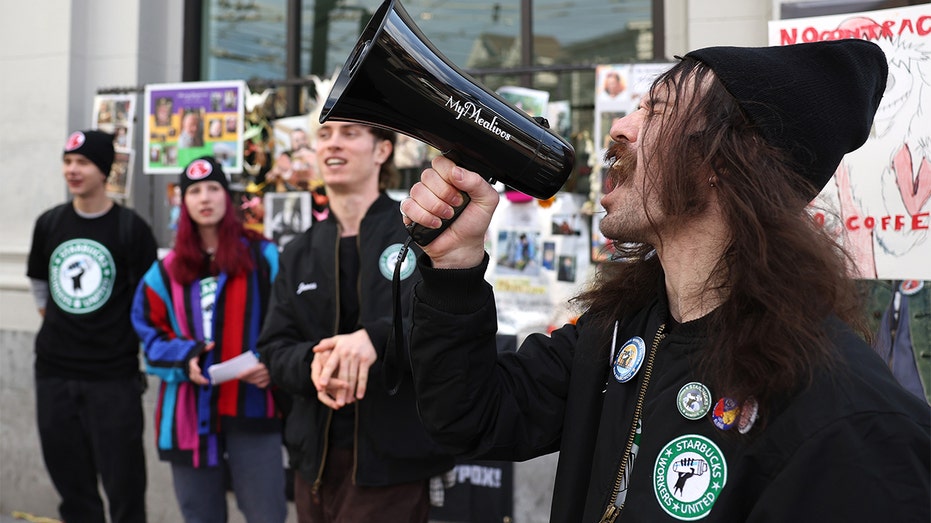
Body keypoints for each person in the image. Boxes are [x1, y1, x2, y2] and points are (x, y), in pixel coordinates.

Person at [400, 40, 931, 522]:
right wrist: (454, 268)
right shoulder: (618, 330)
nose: (619, 128)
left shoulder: (849, 421)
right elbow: (472, 416)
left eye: (655, 109)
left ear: (721, 160)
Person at [257, 119, 454, 522]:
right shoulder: (298, 251)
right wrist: (314, 363)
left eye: (349, 133)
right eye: (325, 135)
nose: (333, 144)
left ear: (382, 151)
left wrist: (375, 339)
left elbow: (446, 330)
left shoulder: (421, 237)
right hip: (314, 462)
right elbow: (274, 348)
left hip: (392, 467)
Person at [131, 156, 287, 523]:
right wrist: (185, 357)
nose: (205, 198)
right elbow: (148, 334)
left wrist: (272, 363)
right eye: (195, 190)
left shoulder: (264, 256)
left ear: (227, 196)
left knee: (267, 514)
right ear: (182, 202)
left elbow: (289, 320)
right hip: (187, 418)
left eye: (213, 188)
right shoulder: (164, 272)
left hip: (254, 407)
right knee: (200, 515)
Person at [26, 129, 158, 523]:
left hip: (112, 378)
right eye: (68, 162)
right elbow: (38, 284)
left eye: (82, 162)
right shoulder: (49, 223)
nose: (73, 170)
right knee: (73, 488)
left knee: (125, 486)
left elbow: (149, 299)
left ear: (104, 170)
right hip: (54, 374)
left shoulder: (131, 229)